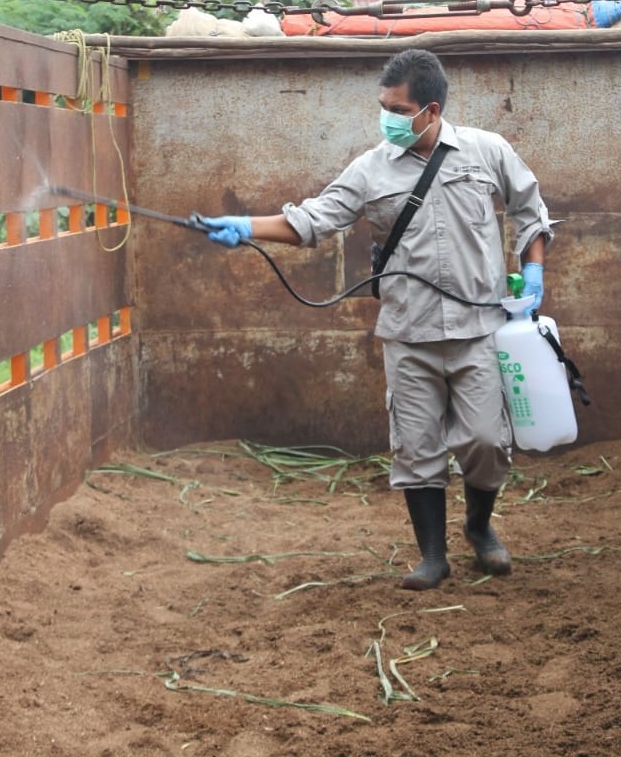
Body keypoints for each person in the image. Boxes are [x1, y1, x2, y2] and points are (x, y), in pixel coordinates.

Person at [200, 48, 553, 590]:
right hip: (407, 333)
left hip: (478, 330)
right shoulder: (371, 168)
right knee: (416, 446)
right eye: (382, 106)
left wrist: (534, 273)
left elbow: (532, 210)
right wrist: (244, 227)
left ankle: (480, 528)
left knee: (485, 441)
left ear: (430, 110)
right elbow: (312, 219)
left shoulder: (487, 152)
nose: (386, 117)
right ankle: (432, 557)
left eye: (396, 108)